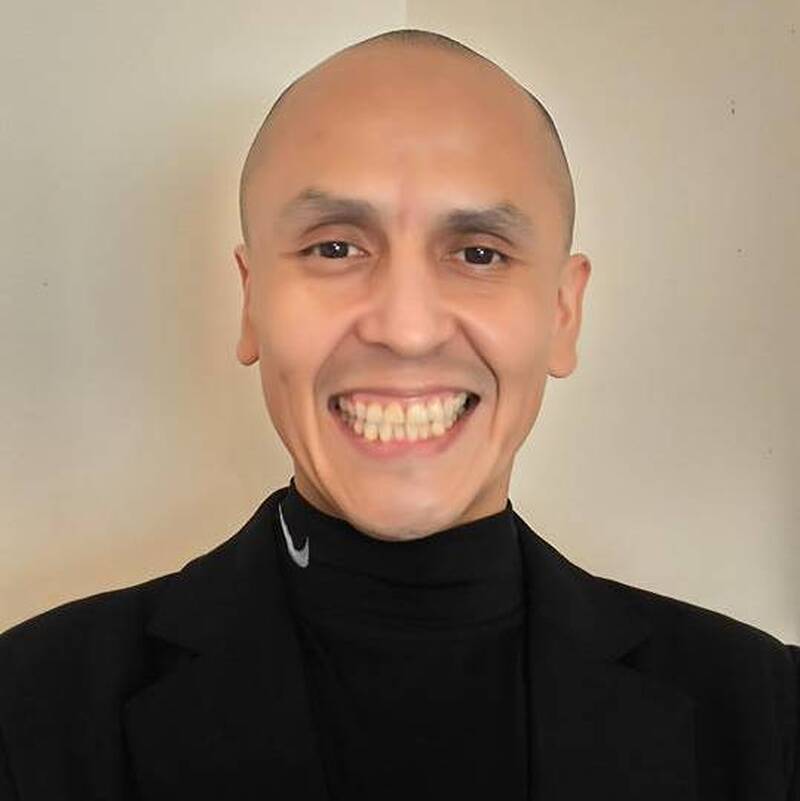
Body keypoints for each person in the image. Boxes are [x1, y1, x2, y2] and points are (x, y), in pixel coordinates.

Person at [0, 27, 797, 801]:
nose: (406, 328)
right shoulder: (27, 712)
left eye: (479, 253)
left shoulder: (769, 717)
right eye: (335, 248)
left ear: (563, 312)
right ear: (250, 301)